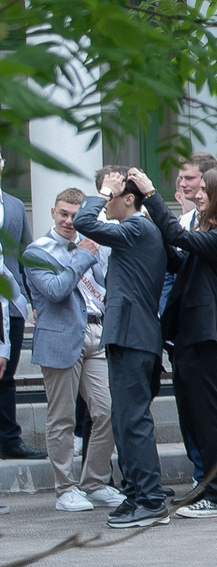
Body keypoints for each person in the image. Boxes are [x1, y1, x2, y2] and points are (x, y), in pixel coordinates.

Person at [135, 165, 217, 516]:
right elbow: (179, 257)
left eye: (204, 191)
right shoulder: (214, 233)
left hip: (207, 335)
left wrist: (152, 195)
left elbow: (178, 236)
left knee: (208, 416)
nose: (196, 195)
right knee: (195, 415)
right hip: (192, 335)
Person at [73, 171, 170, 526]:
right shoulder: (137, 231)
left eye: (113, 196)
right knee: (123, 420)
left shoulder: (138, 228)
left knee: (133, 420)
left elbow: (85, 221)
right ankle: (137, 494)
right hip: (127, 334)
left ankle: (150, 498)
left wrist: (102, 192)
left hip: (134, 335)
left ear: (129, 199)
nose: (107, 202)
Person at [24, 187, 119, 512]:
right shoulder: (38, 250)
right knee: (62, 418)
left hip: (95, 332)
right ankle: (65, 489)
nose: (68, 221)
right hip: (60, 338)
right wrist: (81, 255)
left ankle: (94, 482)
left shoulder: (89, 246)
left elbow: (101, 290)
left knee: (108, 410)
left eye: (76, 216)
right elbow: (56, 290)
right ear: (52, 213)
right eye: (63, 214)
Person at [0, 183, 31, 462]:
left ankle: (9, 439)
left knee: (6, 375)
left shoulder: (15, 205)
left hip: (10, 302)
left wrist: (33, 299)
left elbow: (25, 253)